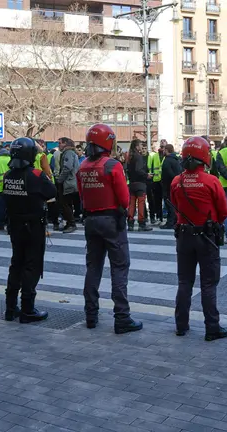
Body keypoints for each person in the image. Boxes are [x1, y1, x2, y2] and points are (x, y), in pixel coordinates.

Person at [76, 124, 143, 334]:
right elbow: (124, 198)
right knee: (119, 267)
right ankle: (122, 317)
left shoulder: (83, 166)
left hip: (91, 220)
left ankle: (90, 314)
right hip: (112, 221)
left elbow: (81, 195)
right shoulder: (113, 165)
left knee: (93, 267)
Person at [170, 136, 227, 340]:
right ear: (204, 156)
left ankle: (181, 325)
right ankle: (212, 327)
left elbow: (175, 206)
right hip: (207, 237)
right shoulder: (211, 181)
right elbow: (224, 212)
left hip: (184, 236)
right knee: (208, 283)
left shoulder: (177, 181)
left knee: (184, 282)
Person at [3, 138, 56, 322]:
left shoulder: (8, 175)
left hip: (15, 225)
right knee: (31, 266)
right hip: (33, 226)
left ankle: (10, 307)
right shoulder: (36, 174)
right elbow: (51, 192)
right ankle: (28, 309)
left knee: (16, 264)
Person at [126, 139, 152, 231]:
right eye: (141, 145)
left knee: (132, 204)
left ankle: (130, 223)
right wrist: (146, 175)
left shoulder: (130, 157)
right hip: (140, 183)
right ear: (137, 146)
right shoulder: (139, 157)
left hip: (132, 183)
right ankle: (142, 223)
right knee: (141, 203)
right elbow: (138, 170)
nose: (142, 147)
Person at [54, 137, 80, 233]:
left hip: (68, 182)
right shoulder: (70, 153)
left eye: (60, 143)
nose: (58, 145)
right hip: (71, 182)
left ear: (65, 144)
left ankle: (71, 224)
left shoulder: (68, 153)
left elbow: (67, 167)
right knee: (67, 204)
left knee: (65, 204)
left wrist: (60, 180)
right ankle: (69, 223)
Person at [160, 144, 182, 229]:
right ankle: (175, 221)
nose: (163, 151)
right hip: (175, 185)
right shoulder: (176, 159)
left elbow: (168, 173)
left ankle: (170, 222)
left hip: (168, 185)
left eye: (164, 150)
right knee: (173, 204)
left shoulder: (167, 160)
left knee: (169, 204)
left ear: (167, 150)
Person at [147, 142, 165, 225]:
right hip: (156, 181)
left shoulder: (165, 157)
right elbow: (149, 167)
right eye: (161, 146)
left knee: (166, 201)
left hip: (163, 181)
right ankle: (159, 217)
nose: (162, 148)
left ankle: (164, 218)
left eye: (163, 147)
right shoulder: (154, 156)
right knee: (157, 201)